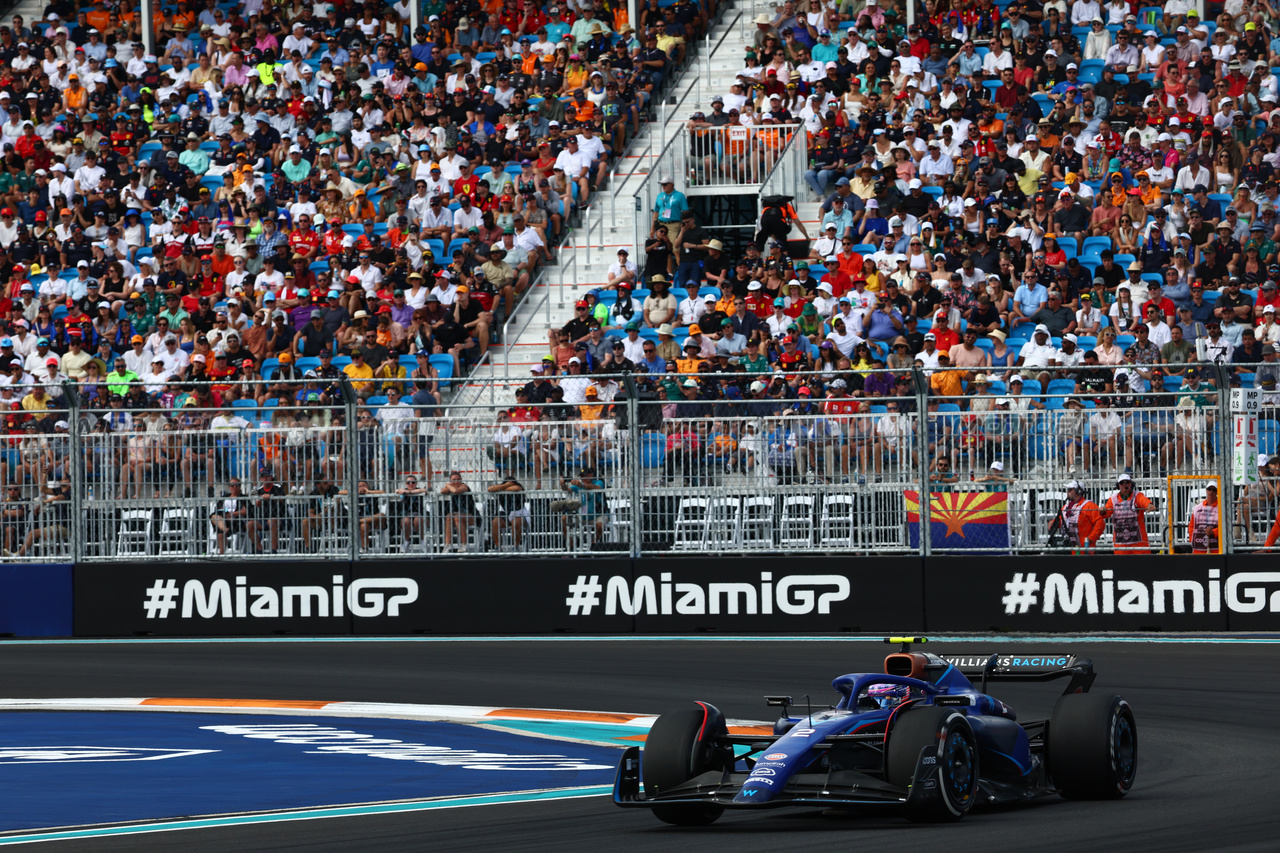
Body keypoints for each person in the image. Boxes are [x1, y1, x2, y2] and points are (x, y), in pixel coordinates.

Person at [1100, 473, 1152, 554]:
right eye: (1122, 483)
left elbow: (1144, 501)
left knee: (1143, 565)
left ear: (1131, 484)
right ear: (1118, 486)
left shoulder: (1137, 496)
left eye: (1127, 482)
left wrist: (1149, 505)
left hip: (1139, 542)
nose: (1125, 485)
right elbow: (1107, 512)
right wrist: (1103, 510)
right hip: (1121, 542)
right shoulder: (1113, 499)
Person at [1050, 479, 1105, 554]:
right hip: (1068, 549)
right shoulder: (1066, 507)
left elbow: (1100, 523)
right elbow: (1061, 522)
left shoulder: (1089, 506)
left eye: (1070, 490)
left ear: (1078, 491)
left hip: (1085, 549)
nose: (1067, 492)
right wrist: (1052, 523)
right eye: (1067, 490)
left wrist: (1090, 538)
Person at [487, 475, 529, 551]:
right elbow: (489, 489)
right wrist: (506, 485)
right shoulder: (504, 486)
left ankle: (516, 547)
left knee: (516, 523)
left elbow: (515, 489)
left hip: (519, 513)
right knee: (495, 522)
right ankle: (498, 547)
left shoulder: (518, 487)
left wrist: (500, 488)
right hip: (505, 512)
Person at [439, 470, 476, 552]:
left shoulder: (464, 486)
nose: (456, 482)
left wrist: (448, 485)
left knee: (457, 517)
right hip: (457, 515)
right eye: (453, 480)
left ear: (461, 480)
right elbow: (442, 491)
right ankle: (447, 545)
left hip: (471, 515)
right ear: (450, 481)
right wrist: (448, 487)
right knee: (449, 516)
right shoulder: (450, 488)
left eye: (458, 479)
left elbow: (456, 491)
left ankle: (463, 545)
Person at [1189, 483, 1220, 554]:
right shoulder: (1197, 508)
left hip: (1217, 549)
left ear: (1217, 492)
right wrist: (1193, 539)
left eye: (1214, 490)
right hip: (1199, 549)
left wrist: (1213, 532)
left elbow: (1226, 527)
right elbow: (1191, 526)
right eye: (1209, 489)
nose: (1211, 492)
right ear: (1206, 490)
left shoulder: (1222, 508)